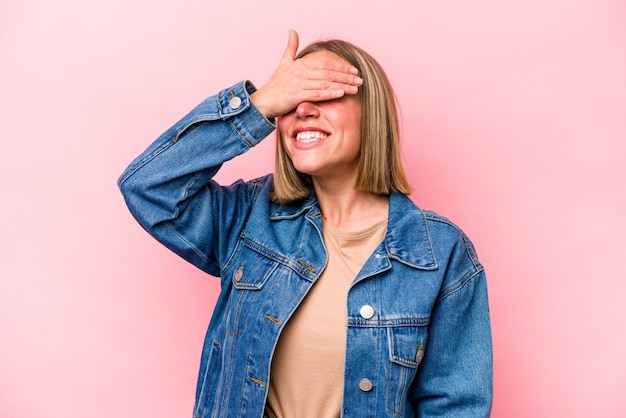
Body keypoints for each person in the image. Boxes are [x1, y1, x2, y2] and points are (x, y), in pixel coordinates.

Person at [118, 29, 493, 418]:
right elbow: (148, 188)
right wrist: (259, 105)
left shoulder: (439, 253)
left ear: (372, 115)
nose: (303, 109)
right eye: (293, 97)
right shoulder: (249, 218)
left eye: (325, 94)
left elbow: (456, 406)